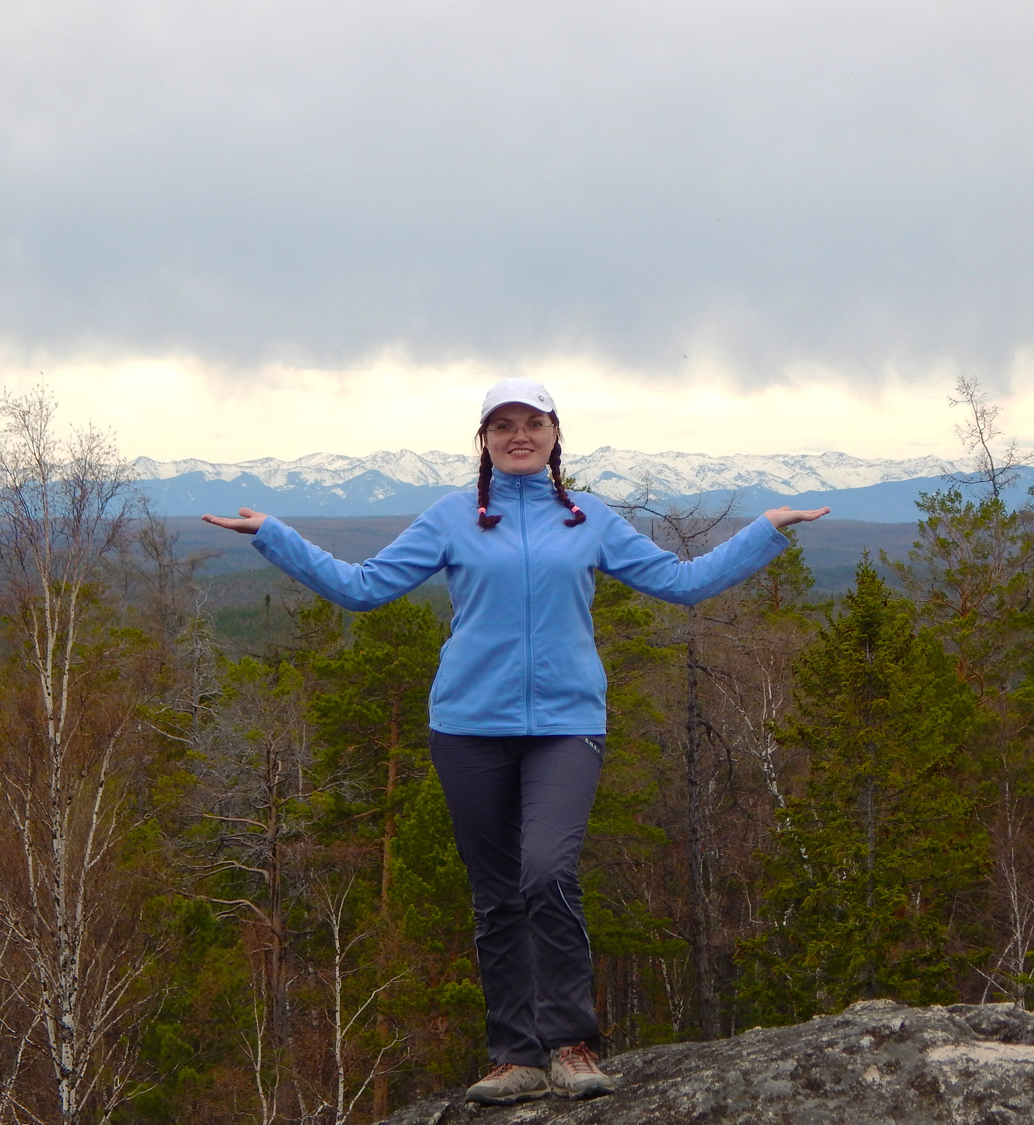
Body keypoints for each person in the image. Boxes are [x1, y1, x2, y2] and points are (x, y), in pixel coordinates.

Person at [203, 377, 828, 1105]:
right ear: (485, 439)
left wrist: (767, 529)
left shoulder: (588, 518)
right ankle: (515, 1054)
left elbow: (681, 582)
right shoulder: (452, 517)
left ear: (556, 433)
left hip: (567, 725)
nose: (518, 434)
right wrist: (274, 536)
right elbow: (363, 586)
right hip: (467, 727)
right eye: (503, 424)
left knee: (547, 871)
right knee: (497, 893)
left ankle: (570, 1042)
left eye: (532, 421)